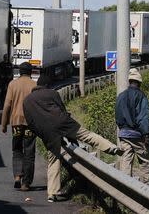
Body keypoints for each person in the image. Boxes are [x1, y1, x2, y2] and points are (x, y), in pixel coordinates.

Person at [23, 75, 123, 203]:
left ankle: (52, 193)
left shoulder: (27, 101)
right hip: (63, 123)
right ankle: (112, 148)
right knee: (87, 135)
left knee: (53, 159)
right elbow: (62, 109)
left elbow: (31, 123)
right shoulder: (52, 93)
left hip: (46, 131)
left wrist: (43, 134)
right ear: (47, 85)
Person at [1, 62, 36, 191]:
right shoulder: (35, 85)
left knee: (17, 150)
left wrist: (4, 124)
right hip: (31, 124)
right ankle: (26, 183)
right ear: (30, 72)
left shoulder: (12, 84)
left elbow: (7, 106)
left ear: (19, 72)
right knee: (29, 153)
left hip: (16, 123)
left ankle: (17, 176)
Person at [115, 68, 149, 184]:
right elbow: (143, 117)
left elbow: (117, 116)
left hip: (124, 134)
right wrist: (146, 134)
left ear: (129, 81)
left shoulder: (121, 96)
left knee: (126, 161)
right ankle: (148, 189)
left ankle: (126, 188)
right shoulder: (141, 96)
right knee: (144, 161)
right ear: (139, 82)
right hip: (137, 135)